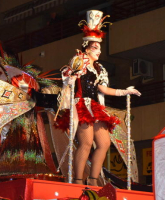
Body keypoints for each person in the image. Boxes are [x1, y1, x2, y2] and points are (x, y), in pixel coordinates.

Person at [55, 10, 141, 186]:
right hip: (80, 105)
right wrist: (72, 74)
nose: (99, 51)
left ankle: (93, 179)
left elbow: (103, 89)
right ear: (87, 47)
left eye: (100, 48)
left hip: (95, 107)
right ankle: (78, 181)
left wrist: (125, 91)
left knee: (104, 143)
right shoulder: (79, 60)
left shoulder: (100, 68)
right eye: (95, 47)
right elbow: (68, 77)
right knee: (86, 143)